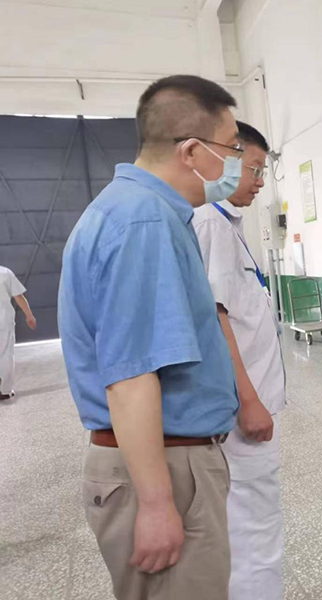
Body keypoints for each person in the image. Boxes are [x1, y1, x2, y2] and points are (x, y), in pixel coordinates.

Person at [58, 75, 243, 600]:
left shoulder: (137, 210)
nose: (235, 163)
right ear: (192, 151)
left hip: (165, 460)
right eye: (231, 148)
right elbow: (132, 376)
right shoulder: (145, 222)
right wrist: (158, 504)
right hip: (165, 466)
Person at [193, 121, 286, 600]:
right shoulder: (210, 223)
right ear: (223, 160)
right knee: (255, 527)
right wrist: (249, 401)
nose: (259, 181)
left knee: (250, 522)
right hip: (240, 413)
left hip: (246, 404)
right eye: (253, 169)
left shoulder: (226, 223)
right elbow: (216, 316)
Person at [0, 265, 36, 400]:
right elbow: (18, 296)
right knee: (5, 354)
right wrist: (29, 315)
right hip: (3, 320)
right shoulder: (5, 272)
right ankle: (5, 390)